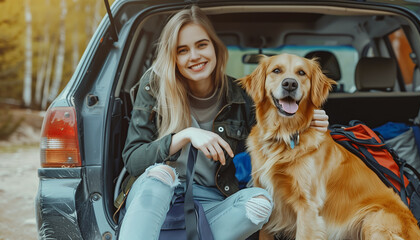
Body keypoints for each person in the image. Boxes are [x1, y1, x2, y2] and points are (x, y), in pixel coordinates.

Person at [117, 5, 329, 240]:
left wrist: (306, 119)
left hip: (212, 200)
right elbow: (134, 160)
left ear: (215, 48)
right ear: (173, 57)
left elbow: (278, 139)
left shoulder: (241, 96)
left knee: (261, 203)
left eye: (201, 45)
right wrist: (185, 135)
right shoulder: (154, 87)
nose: (195, 56)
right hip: (156, 197)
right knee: (161, 175)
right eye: (182, 50)